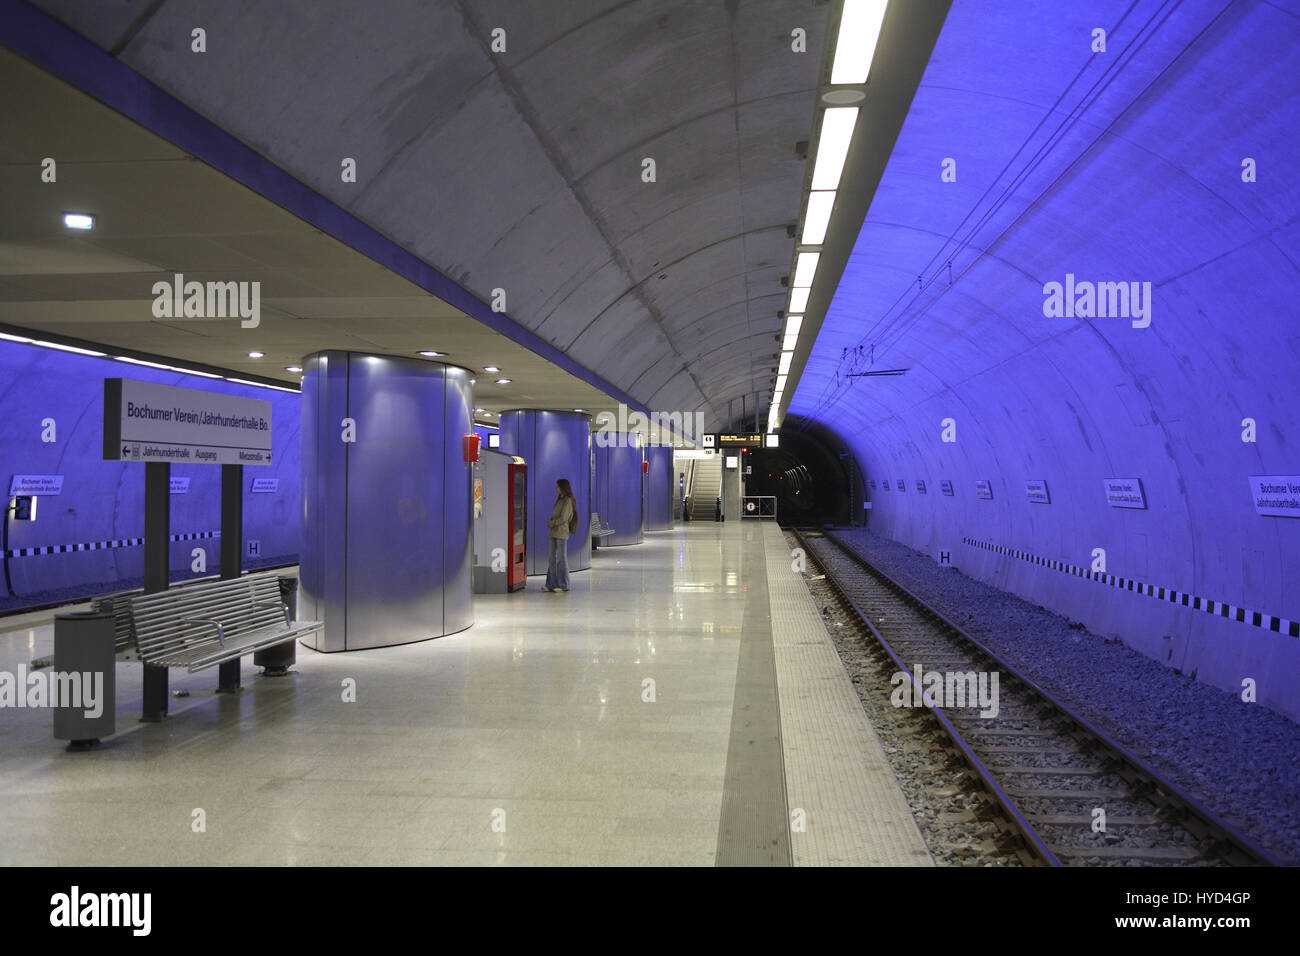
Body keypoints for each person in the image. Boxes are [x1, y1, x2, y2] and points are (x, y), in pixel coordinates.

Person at [544, 478, 577, 592]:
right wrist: (550, 520)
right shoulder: (559, 499)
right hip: (553, 532)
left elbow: (564, 518)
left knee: (561, 559)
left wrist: (551, 523)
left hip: (561, 533)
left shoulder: (568, 500)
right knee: (551, 559)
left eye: (557, 486)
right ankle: (551, 584)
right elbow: (555, 514)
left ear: (563, 487)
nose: (555, 488)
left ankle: (564, 585)